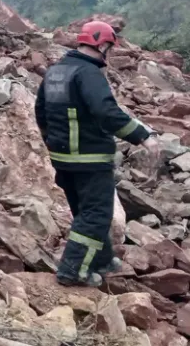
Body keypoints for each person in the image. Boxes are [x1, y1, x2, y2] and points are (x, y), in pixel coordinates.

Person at [35, 20, 160, 288]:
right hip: (89, 158)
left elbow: (41, 113)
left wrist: (53, 143)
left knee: (86, 211)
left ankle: (102, 259)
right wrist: (142, 136)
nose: (110, 53)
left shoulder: (56, 72)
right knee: (96, 214)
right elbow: (106, 112)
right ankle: (72, 270)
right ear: (101, 44)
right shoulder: (89, 74)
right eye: (110, 48)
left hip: (63, 158)